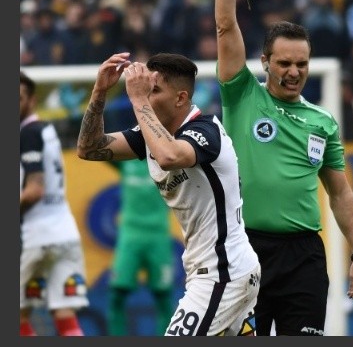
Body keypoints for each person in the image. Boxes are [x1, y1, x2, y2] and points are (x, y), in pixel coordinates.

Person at [214, 0, 353, 336]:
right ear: (265, 62)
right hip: (245, 247)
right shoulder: (242, 94)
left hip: (304, 256)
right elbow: (226, 25)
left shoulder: (323, 121)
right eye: (284, 63)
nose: (294, 71)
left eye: (301, 63)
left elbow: (340, 191)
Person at [76, 52, 260, 336]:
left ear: (180, 98)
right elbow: (89, 148)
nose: (146, 95)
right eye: (145, 89)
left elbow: (169, 156)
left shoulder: (206, 131)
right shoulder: (151, 136)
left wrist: (138, 100)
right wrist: (100, 91)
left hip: (223, 272)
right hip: (218, 270)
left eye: (154, 90)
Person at [20, 71, 89, 336]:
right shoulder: (47, 130)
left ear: (32, 100)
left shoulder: (28, 134)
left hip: (35, 236)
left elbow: (34, 190)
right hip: (64, 234)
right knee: (64, 313)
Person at [107, 159, 175, 336]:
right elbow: (100, 151)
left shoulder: (166, 159)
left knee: (163, 295)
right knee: (117, 294)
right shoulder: (126, 160)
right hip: (130, 236)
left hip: (158, 235)